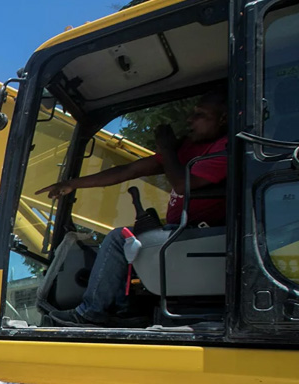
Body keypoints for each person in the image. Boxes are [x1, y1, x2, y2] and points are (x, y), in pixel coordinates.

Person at [38, 91, 228, 326]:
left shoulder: (226, 149)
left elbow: (182, 184)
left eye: (200, 115)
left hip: (205, 234)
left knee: (120, 239)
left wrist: (167, 149)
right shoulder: (190, 149)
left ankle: (90, 312)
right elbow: (128, 171)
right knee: (131, 244)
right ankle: (125, 311)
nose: (190, 120)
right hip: (182, 233)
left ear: (223, 119)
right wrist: (71, 184)